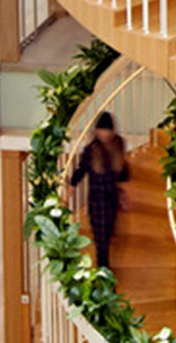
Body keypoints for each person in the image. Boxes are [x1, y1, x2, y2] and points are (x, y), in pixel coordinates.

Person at [69, 112, 131, 269]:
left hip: (112, 198)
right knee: (100, 241)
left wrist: (123, 196)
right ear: (96, 131)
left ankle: (104, 271)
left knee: (107, 237)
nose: (104, 134)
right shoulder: (91, 150)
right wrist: (66, 196)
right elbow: (79, 172)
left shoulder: (118, 145)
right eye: (102, 131)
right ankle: (103, 271)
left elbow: (122, 174)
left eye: (107, 131)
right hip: (97, 201)